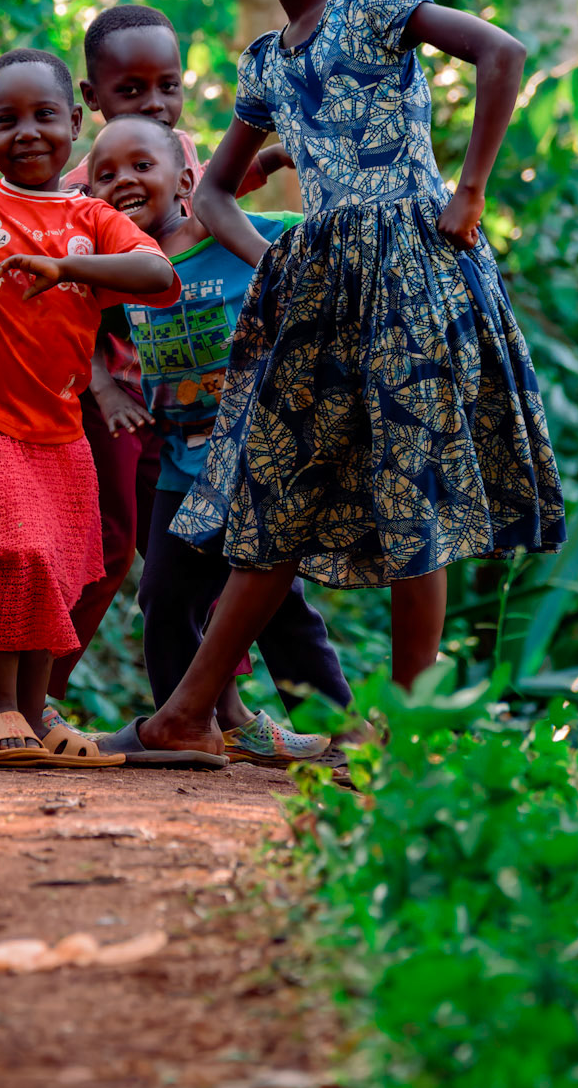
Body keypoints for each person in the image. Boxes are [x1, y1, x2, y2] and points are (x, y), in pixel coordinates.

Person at [120, 0, 566, 762]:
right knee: (274, 488)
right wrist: (270, 263)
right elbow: (210, 195)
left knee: (415, 490)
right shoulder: (266, 64)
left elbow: (501, 54)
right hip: (320, 291)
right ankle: (188, 714)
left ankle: (402, 726)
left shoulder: (375, 0)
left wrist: (470, 189)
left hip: (413, 269)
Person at [0, 48, 181, 767]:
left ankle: (36, 713)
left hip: (57, 425)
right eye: (4, 120)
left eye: (44, 116)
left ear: (74, 121)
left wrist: (65, 266)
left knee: (54, 564)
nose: (27, 133)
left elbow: (156, 272)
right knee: (12, 547)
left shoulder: (91, 217)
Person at [42, 114, 351, 768]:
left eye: (140, 166)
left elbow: (314, 246)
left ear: (186, 179)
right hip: (183, 464)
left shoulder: (233, 238)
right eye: (105, 174)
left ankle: (341, 732)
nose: (122, 180)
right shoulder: (120, 275)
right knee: (163, 594)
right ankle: (190, 723)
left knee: (275, 605)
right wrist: (103, 385)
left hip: (257, 455)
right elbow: (73, 320)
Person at [45, 4, 289, 708]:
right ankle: (38, 700)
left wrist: (271, 157)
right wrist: (100, 389)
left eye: (167, 85)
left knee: (202, 541)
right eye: (130, 91)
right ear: (90, 101)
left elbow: (209, 196)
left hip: (185, 401)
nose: (154, 101)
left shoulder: (176, 153)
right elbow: (68, 308)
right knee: (111, 541)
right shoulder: (78, 193)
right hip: (114, 395)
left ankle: (219, 706)